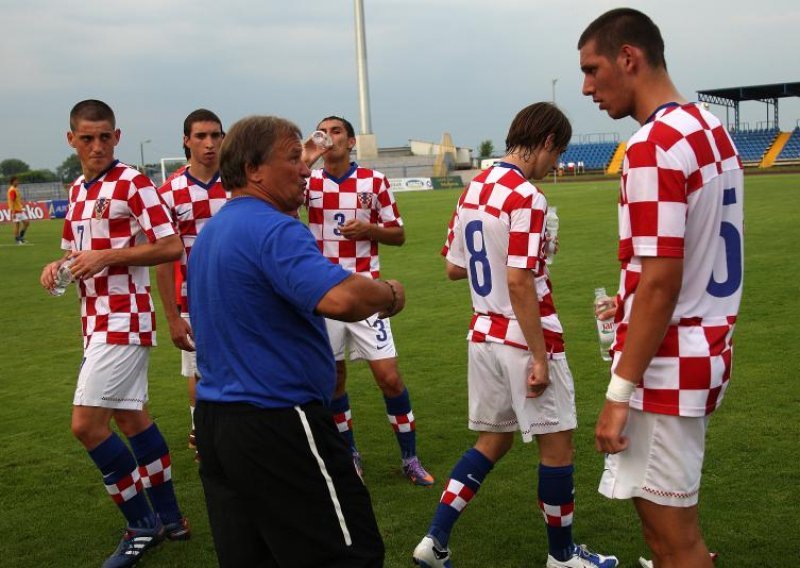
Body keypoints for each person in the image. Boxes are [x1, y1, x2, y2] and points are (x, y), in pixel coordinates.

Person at [413, 102, 618, 568]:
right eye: (558, 152)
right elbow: (521, 281)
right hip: (523, 339)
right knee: (558, 446)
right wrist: (541, 358)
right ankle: (563, 558)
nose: (557, 164)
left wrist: (530, 252)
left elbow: (452, 267)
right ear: (546, 141)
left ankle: (435, 540)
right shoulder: (527, 196)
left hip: (482, 335)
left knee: (492, 441)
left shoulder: (476, 186)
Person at [188, 115, 395, 567]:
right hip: (278, 419)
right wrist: (389, 294)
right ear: (253, 168)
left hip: (217, 423)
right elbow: (340, 298)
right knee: (348, 554)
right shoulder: (274, 228)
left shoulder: (211, 234)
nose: (305, 168)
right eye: (292, 157)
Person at [578, 9, 743, 568]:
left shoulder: (652, 146)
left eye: (593, 69)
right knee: (674, 540)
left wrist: (617, 396)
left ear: (629, 58)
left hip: (666, 364)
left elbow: (661, 283)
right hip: (705, 346)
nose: (587, 87)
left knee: (673, 543)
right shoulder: (710, 129)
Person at [39, 100, 189, 568]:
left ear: (117, 137)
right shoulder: (79, 190)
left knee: (86, 426)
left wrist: (108, 257)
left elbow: (170, 245)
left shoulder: (133, 182)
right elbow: (72, 253)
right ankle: (170, 517)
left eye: (105, 136)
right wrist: (56, 265)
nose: (97, 145)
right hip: (94, 320)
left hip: (124, 320)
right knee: (132, 420)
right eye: (87, 138)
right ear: (72, 141)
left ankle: (141, 527)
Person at [304, 115, 434, 486]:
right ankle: (350, 454)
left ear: (351, 141)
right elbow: (278, 207)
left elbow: (399, 234)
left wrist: (370, 229)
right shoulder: (308, 182)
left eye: (336, 132)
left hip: (366, 294)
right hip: (324, 294)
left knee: (389, 377)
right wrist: (307, 157)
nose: (329, 138)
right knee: (334, 381)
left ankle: (410, 458)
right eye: (323, 132)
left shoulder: (373, 182)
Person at [155, 108, 227, 461]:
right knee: (199, 372)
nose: (209, 143)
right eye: (201, 136)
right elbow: (164, 262)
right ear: (186, 140)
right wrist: (171, 316)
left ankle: (237, 433)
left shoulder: (238, 184)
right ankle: (202, 431)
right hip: (193, 299)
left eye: (215, 135)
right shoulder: (169, 193)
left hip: (240, 295)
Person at [7, 176, 30, 244]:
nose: (18, 182)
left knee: (27, 222)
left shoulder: (15, 189)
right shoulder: (12, 190)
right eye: (16, 181)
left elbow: (17, 200)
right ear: (13, 181)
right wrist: (13, 212)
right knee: (17, 225)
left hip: (19, 209)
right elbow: (12, 201)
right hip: (15, 210)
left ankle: (21, 237)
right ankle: (17, 240)